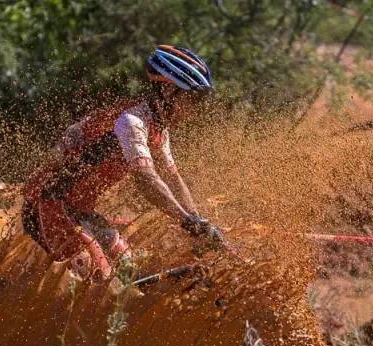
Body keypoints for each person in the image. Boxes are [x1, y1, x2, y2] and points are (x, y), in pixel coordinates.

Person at [22, 45, 223, 280]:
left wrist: (199, 222)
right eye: (192, 100)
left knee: (127, 268)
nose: (194, 110)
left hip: (78, 210)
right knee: (99, 278)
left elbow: (173, 179)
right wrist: (188, 223)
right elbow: (147, 180)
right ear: (168, 91)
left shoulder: (157, 127)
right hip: (47, 204)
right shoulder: (131, 121)